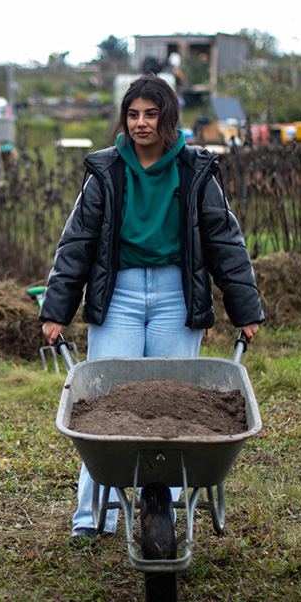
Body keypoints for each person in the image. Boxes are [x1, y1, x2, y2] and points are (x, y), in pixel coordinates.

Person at [39, 73, 263, 543]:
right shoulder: (107, 170)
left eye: (151, 113)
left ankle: (169, 511)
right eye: (133, 114)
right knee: (100, 405)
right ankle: (95, 515)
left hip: (175, 294)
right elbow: (77, 243)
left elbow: (224, 241)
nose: (141, 123)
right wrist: (56, 311)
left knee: (175, 401)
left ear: (167, 118)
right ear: (124, 119)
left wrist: (246, 309)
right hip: (117, 293)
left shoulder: (195, 169)